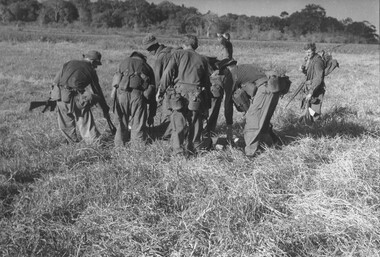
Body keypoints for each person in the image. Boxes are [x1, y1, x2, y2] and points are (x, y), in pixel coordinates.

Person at [217, 58, 291, 157]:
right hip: (273, 89)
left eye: (223, 72)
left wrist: (229, 125)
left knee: (252, 121)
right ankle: (272, 143)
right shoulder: (245, 68)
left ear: (227, 68)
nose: (224, 75)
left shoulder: (232, 75)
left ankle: (250, 154)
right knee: (263, 120)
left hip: (265, 90)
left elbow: (228, 103)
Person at [157, 35, 212, 156]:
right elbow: (206, 82)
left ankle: (178, 152)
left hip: (179, 93)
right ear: (195, 45)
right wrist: (207, 101)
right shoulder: (202, 59)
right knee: (196, 123)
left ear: (183, 44)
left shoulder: (178, 54)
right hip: (196, 94)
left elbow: (167, 73)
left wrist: (161, 91)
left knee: (178, 122)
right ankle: (194, 150)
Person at [51, 50, 111, 144]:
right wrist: (104, 108)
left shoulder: (69, 63)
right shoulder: (91, 71)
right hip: (76, 98)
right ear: (92, 61)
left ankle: (72, 144)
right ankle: (94, 144)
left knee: (65, 122)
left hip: (60, 97)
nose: (96, 67)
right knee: (85, 120)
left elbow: (55, 81)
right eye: (96, 64)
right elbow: (97, 91)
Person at [111, 51, 156, 147]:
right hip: (138, 95)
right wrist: (151, 114)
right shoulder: (146, 66)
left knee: (121, 123)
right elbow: (152, 91)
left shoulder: (123, 62)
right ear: (142, 58)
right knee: (138, 124)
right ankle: (137, 148)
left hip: (121, 94)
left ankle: (119, 147)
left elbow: (115, 84)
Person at [142, 34, 177, 140]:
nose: (149, 52)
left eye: (149, 49)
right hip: (180, 87)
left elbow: (157, 80)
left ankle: (167, 137)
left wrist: (156, 95)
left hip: (169, 89)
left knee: (167, 113)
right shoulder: (172, 50)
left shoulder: (160, 57)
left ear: (152, 47)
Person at [299, 42, 325, 124]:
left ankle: (317, 127)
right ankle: (307, 125)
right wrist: (303, 70)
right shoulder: (308, 59)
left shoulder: (318, 61)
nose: (307, 54)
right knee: (306, 107)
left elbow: (318, 78)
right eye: (306, 52)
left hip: (316, 88)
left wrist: (311, 92)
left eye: (309, 52)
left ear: (314, 51)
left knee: (314, 111)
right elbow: (309, 74)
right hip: (308, 87)